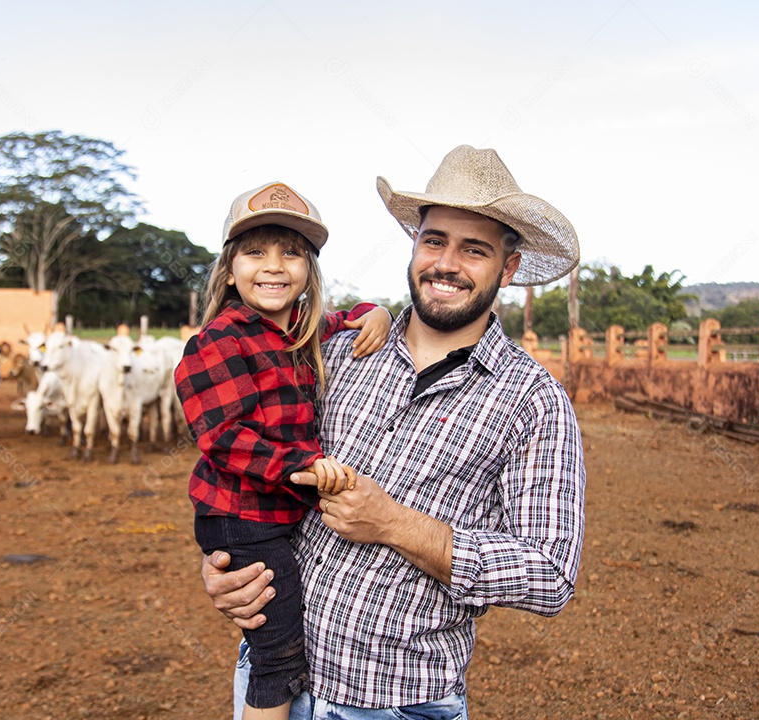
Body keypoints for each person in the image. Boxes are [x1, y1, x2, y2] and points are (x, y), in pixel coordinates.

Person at [202, 146, 587, 719]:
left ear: (507, 268)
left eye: (474, 249)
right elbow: (249, 460)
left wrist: (396, 525)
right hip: (276, 678)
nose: (446, 263)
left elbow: (550, 574)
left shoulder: (533, 402)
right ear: (414, 246)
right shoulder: (334, 352)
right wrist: (227, 563)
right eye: (434, 241)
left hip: (397, 703)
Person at [175, 181, 393, 720]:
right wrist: (304, 469)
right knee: (278, 652)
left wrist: (378, 313)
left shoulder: (302, 329)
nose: (273, 266)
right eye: (256, 252)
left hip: (269, 512)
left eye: (291, 253)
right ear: (229, 270)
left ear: (308, 273)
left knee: (282, 631)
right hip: (240, 515)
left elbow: (350, 317)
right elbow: (223, 437)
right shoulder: (218, 342)